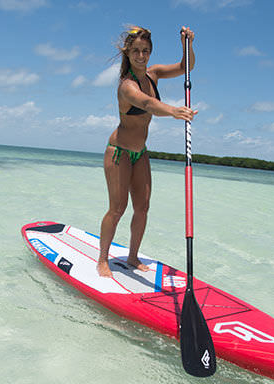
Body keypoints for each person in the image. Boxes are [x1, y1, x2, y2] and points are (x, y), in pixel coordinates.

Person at [97, 26, 197, 277]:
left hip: (140, 153)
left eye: (145, 51)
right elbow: (147, 103)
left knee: (142, 207)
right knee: (117, 209)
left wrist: (188, 43)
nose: (141, 56)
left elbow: (187, 67)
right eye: (136, 51)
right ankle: (102, 260)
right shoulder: (126, 86)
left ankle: (132, 257)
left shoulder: (154, 74)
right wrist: (173, 110)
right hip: (118, 152)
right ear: (127, 54)